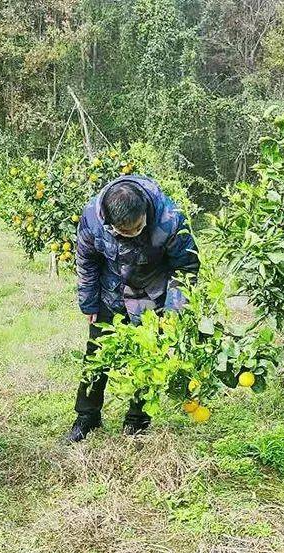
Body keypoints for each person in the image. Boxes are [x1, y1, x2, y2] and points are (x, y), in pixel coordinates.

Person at [67, 176, 199, 442]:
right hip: (110, 293)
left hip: (150, 297)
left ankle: (137, 422)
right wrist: (89, 302)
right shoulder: (93, 217)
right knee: (96, 356)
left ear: (145, 214)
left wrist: (174, 313)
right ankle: (87, 417)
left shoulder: (170, 219)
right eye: (123, 231)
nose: (131, 234)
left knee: (146, 359)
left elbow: (186, 268)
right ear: (110, 223)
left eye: (137, 228)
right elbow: (86, 260)